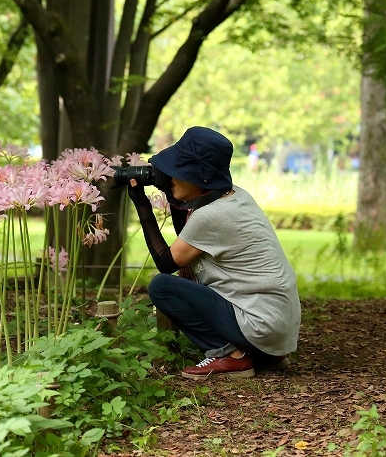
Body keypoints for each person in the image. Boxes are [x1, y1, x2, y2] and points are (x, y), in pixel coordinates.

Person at [127, 126, 300, 380]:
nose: (170, 177)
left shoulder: (211, 215)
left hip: (260, 323)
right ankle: (264, 355)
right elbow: (188, 235)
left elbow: (166, 262)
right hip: (277, 324)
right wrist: (170, 188)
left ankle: (229, 355)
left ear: (199, 176)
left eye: (176, 172)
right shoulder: (235, 197)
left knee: (162, 286)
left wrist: (141, 203)